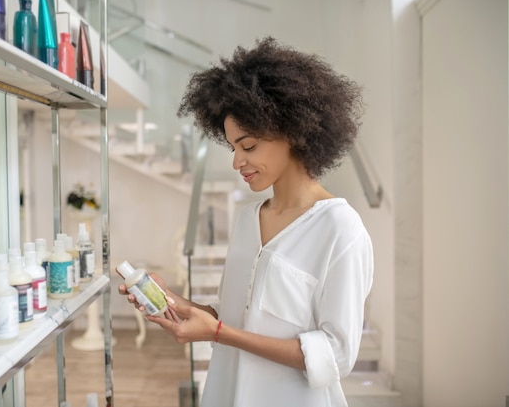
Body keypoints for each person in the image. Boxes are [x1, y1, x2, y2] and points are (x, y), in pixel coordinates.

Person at [118, 36, 374, 407]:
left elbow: (335, 355)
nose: (237, 162)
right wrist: (169, 299)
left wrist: (219, 333)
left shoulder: (341, 230)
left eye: (248, 146)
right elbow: (235, 317)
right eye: (233, 147)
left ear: (293, 131)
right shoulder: (246, 220)